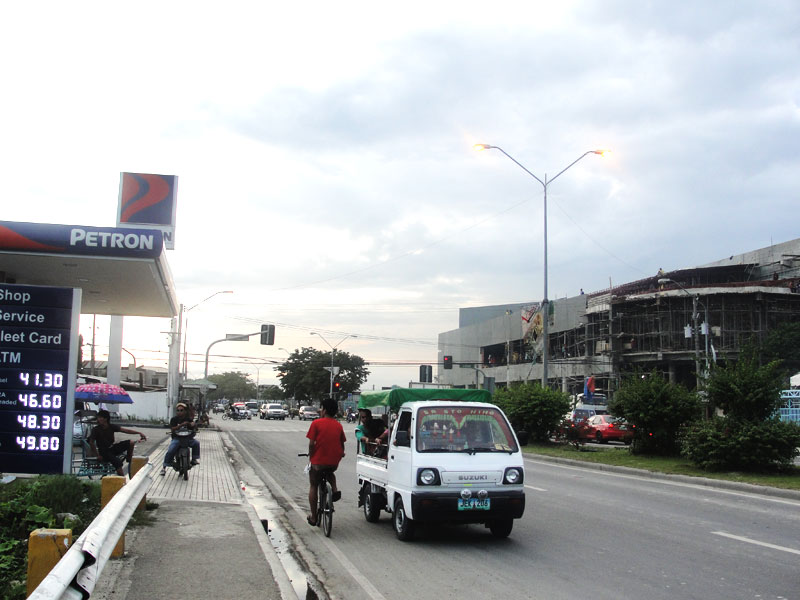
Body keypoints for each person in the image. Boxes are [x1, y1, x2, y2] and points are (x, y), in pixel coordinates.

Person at [305, 398, 345, 526]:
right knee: (329, 472)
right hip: (333, 462)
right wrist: (341, 454)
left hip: (318, 463)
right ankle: (334, 489)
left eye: (321, 408)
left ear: (325, 410)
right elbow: (342, 444)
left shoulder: (316, 423)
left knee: (313, 485)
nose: (320, 410)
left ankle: (314, 517)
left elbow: (311, 444)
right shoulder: (338, 425)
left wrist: (311, 457)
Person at [88, 409, 147, 476]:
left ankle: (129, 458)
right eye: (98, 418)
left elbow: (126, 431)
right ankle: (123, 480)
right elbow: (91, 442)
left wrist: (138, 433)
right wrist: (97, 455)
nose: (98, 420)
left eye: (100, 418)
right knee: (118, 463)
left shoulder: (111, 427)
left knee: (131, 442)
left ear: (105, 419)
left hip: (112, 448)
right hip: (104, 452)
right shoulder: (96, 429)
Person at [160, 402, 200, 476]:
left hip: (187, 439)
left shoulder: (188, 419)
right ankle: (164, 467)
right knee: (171, 449)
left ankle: (194, 459)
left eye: (181, 410)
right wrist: (181, 425)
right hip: (177, 438)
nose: (179, 412)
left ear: (185, 411)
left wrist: (193, 425)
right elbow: (172, 429)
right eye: (178, 410)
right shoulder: (174, 419)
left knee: (196, 443)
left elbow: (193, 426)